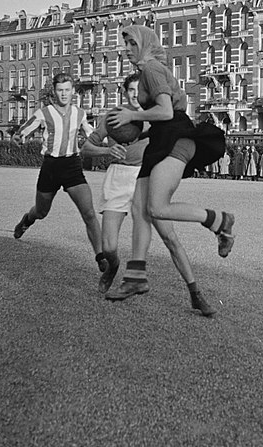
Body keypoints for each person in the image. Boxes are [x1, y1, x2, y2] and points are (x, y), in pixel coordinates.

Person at [103, 25, 232, 313]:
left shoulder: (151, 69)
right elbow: (160, 116)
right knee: (140, 210)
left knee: (158, 208)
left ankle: (219, 220)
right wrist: (140, 130)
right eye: (124, 44)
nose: (126, 49)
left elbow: (165, 111)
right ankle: (136, 277)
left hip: (176, 138)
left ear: (145, 44)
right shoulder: (147, 71)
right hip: (162, 139)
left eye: (131, 43)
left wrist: (132, 114)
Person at [81, 73, 216, 316]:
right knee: (109, 246)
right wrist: (107, 149)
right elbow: (85, 148)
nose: (135, 95)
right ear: (125, 93)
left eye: (139, 90)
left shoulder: (156, 117)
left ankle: (195, 293)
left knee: (170, 238)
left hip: (147, 178)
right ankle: (113, 267)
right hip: (118, 178)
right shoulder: (113, 117)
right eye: (131, 91)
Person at [11, 72, 105, 275]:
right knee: (42, 212)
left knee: (89, 213)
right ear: (55, 92)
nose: (64, 94)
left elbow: (93, 135)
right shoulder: (44, 113)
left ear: (73, 92)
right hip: (50, 167)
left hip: (72, 166)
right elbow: (24, 130)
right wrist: (19, 137)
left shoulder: (80, 114)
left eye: (67, 90)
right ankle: (27, 220)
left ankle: (100, 256)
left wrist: (111, 141)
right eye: (60, 90)